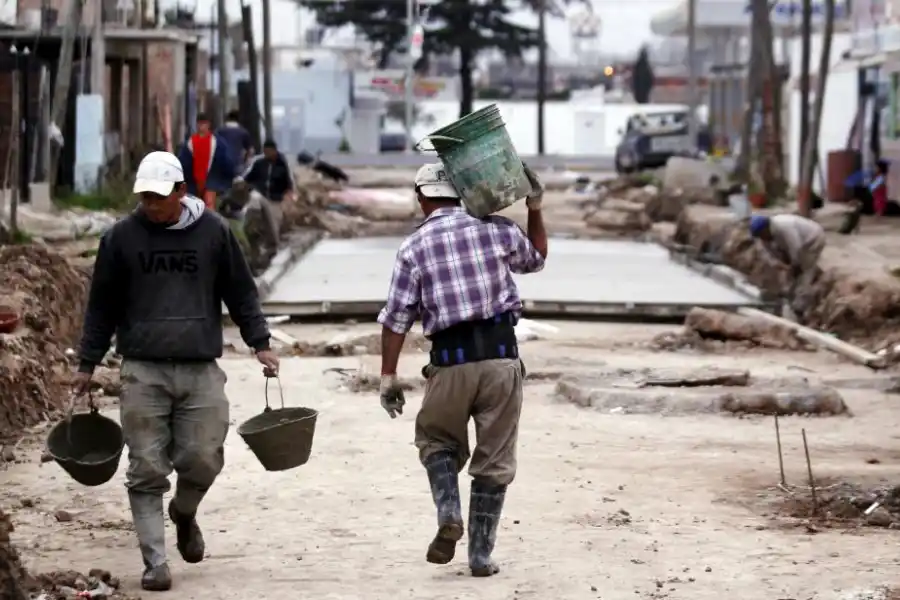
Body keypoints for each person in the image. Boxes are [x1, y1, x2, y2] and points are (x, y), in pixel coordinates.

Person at [73, 150, 280, 592]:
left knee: (203, 458)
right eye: (145, 197)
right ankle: (155, 562)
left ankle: (184, 512)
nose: (151, 205)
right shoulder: (120, 240)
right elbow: (101, 308)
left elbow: (240, 291)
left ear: (181, 191)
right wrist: (86, 363)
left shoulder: (214, 234)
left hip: (200, 368)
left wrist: (260, 342)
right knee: (146, 468)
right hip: (142, 371)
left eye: (159, 197)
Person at [377, 162, 548, 577]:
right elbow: (537, 258)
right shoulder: (496, 229)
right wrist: (535, 207)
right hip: (500, 360)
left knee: (436, 441)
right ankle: (480, 556)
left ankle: (449, 511)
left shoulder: (412, 248)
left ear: (422, 198)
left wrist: (388, 377)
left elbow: (396, 319)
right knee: (494, 460)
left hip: (450, 364)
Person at [749, 213, 825, 318]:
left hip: (812, 239)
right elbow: (766, 254)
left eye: (763, 234)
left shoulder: (784, 227)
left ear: (767, 228)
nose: (762, 238)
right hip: (792, 244)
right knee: (789, 272)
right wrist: (782, 266)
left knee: (805, 271)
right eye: (760, 236)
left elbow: (796, 247)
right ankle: (787, 294)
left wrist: (795, 265)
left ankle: (799, 307)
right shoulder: (761, 236)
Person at [236, 139, 296, 261]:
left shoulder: (283, 164)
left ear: (274, 151)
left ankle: (271, 250)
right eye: (265, 151)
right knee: (254, 199)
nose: (267, 153)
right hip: (261, 195)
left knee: (273, 228)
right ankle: (254, 223)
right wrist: (240, 183)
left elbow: (290, 183)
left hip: (275, 199)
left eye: (269, 151)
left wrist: (288, 197)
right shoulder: (259, 163)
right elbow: (246, 177)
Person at [177, 113, 235, 211]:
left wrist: (226, 178)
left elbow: (226, 162)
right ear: (196, 124)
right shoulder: (190, 143)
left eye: (204, 123)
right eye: (199, 124)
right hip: (193, 181)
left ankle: (209, 225)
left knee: (209, 204)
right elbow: (183, 163)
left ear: (209, 125)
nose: (201, 126)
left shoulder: (217, 143)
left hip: (211, 179)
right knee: (194, 207)